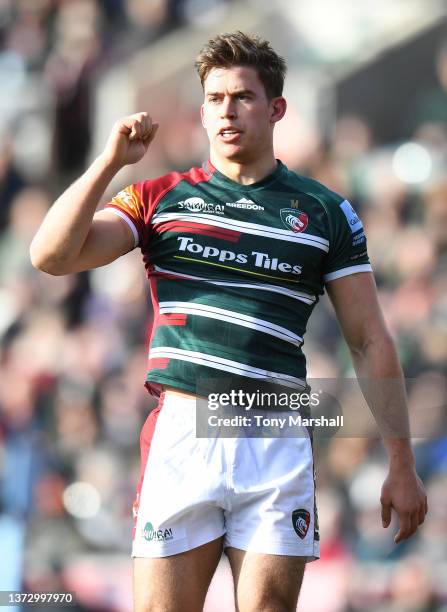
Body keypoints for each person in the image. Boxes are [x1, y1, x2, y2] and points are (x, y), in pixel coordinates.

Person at [30, 31, 427, 612]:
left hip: (273, 429)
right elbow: (51, 256)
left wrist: (400, 462)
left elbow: (369, 340)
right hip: (184, 431)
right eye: (215, 98)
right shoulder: (160, 198)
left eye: (242, 96)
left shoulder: (324, 211)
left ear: (276, 108)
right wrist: (109, 161)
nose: (227, 110)